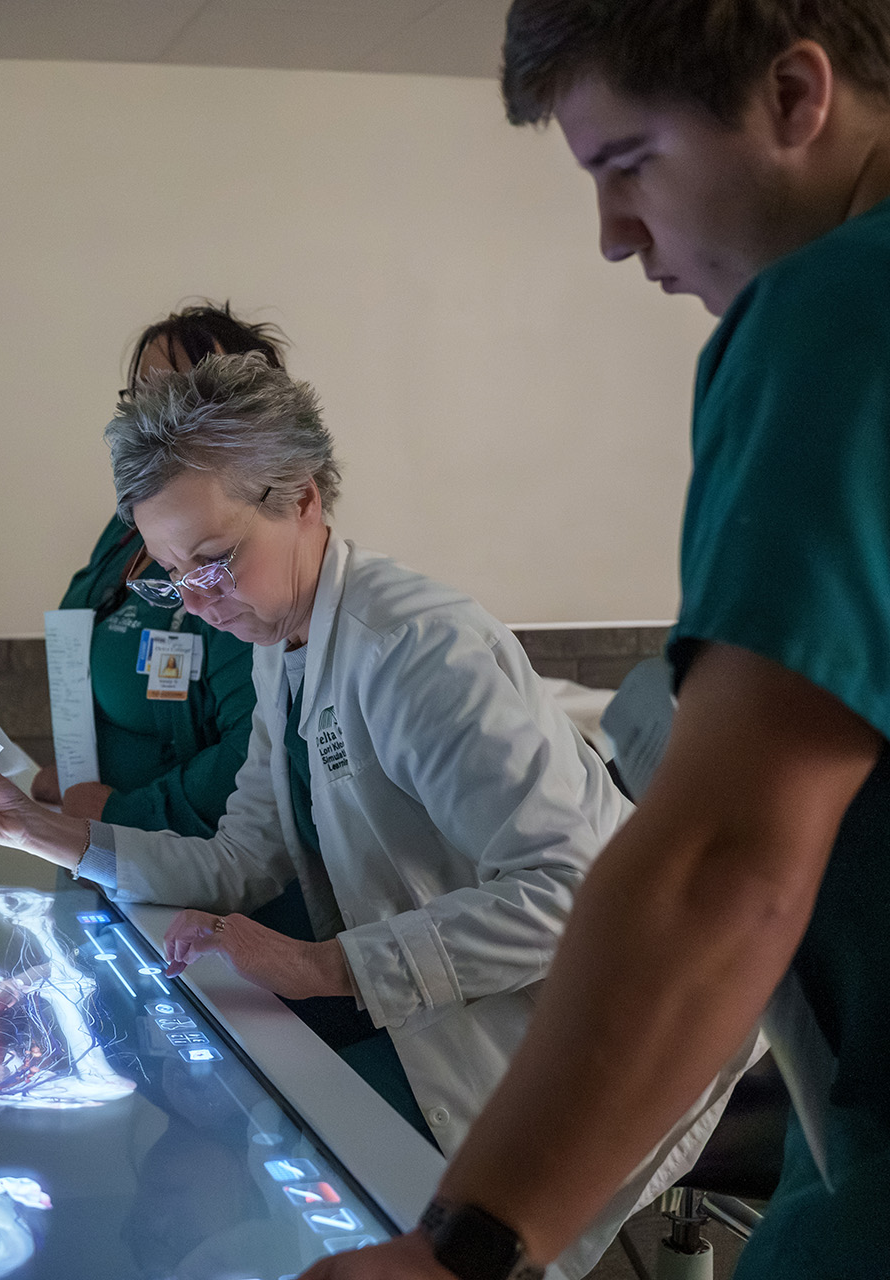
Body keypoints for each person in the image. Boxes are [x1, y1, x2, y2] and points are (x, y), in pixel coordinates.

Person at [0, 353, 747, 1276]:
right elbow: (246, 853)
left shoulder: (414, 651)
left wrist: (327, 965)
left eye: (215, 561)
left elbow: (571, 894)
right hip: (448, 1018)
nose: (200, 603)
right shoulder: (288, 638)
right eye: (171, 578)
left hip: (585, 1041)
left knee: (288, 1209)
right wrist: (43, 832)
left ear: (306, 499)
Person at [310, 4, 890, 1278]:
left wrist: (461, 1248)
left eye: (626, 167)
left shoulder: (838, 315)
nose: (616, 236)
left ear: (798, 98)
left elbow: (720, 862)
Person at [37, 302, 272, 838]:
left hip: (194, 858)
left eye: (175, 389)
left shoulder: (246, 556)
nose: (150, 410)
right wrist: (77, 778)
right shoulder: (125, 529)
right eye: (141, 390)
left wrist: (124, 813)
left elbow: (253, 751)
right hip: (101, 839)